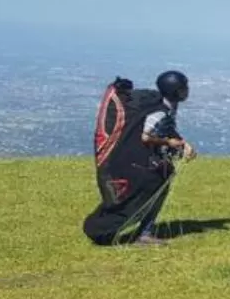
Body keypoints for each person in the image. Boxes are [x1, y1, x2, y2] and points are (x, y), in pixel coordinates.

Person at [84, 70, 196, 246]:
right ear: (175, 91)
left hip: (142, 161)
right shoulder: (159, 110)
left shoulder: (162, 105)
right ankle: (141, 233)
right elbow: (146, 136)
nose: (187, 91)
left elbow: (165, 129)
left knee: (154, 190)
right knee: (143, 196)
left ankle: (141, 231)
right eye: (183, 88)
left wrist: (182, 144)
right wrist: (170, 143)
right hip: (140, 165)